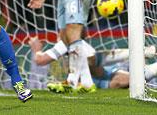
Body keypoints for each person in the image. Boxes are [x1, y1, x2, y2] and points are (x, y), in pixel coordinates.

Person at [28, 37, 157, 90]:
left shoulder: (73, 40)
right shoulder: (63, 43)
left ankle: (144, 53)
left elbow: (40, 59)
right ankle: (145, 54)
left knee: (92, 59)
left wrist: (36, 49)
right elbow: (40, 60)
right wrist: (36, 50)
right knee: (122, 81)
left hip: (98, 73)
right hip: (90, 82)